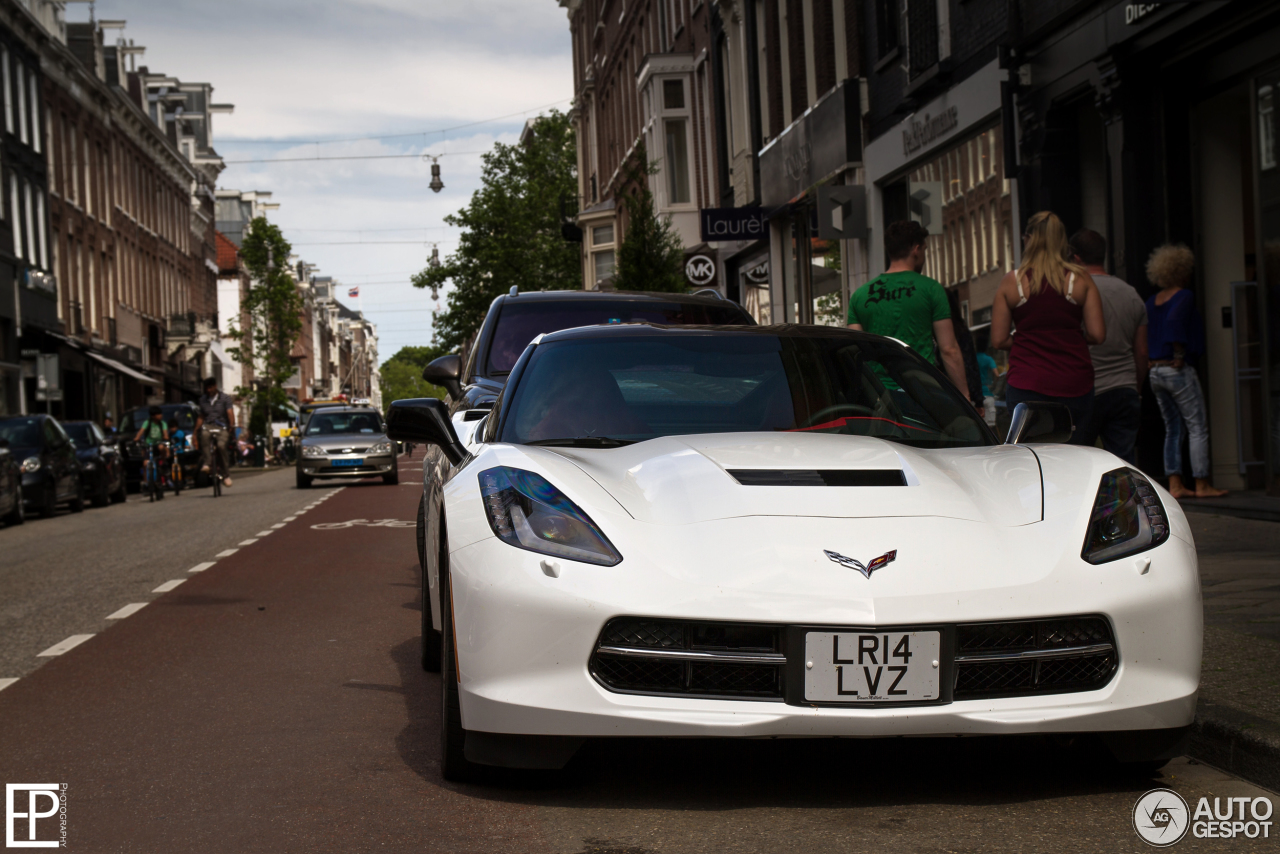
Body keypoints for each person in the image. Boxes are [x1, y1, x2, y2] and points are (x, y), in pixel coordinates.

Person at [990, 211, 1106, 441]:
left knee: (1030, 457)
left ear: (1028, 239)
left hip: (1027, 383)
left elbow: (999, 340)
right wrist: (1067, 336)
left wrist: (1027, 338)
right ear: (1061, 240)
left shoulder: (1013, 281)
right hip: (1075, 383)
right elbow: (1097, 334)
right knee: (1076, 455)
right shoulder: (1079, 278)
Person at [848, 220, 973, 404]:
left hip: (879, 395)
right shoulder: (931, 289)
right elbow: (949, 350)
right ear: (916, 249)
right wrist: (965, 396)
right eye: (924, 249)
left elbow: (855, 353)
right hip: (921, 393)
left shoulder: (860, 296)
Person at [1145, 244, 1227, 499]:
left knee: (1173, 428)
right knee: (1197, 426)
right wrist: (1179, 353)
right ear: (1181, 270)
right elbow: (1174, 323)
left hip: (1155, 370)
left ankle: (1175, 483)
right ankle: (1202, 483)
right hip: (1175, 368)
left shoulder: (1152, 300)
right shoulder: (1184, 296)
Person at [1067, 229, 1148, 462]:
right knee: (1122, 464)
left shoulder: (1074, 293)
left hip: (1086, 391)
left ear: (1076, 258)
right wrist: (1136, 386)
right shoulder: (1131, 294)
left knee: (1079, 462)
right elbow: (1141, 351)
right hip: (1124, 388)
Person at [193, 377, 236, 488]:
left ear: (215, 386)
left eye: (210, 387)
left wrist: (231, 425)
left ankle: (226, 475)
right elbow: (201, 416)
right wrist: (195, 431)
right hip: (208, 425)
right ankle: (207, 463)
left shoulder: (225, 398)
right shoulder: (203, 399)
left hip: (222, 426)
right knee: (204, 435)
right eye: (207, 388)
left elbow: (230, 413)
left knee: (221, 446)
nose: (209, 390)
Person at [133, 406, 170, 497]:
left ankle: (163, 463)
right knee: (145, 464)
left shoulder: (162, 424)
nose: (160, 416)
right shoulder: (147, 423)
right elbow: (141, 431)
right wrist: (137, 438)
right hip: (149, 446)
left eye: (160, 414)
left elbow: (165, 433)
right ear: (153, 416)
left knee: (162, 447)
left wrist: (165, 437)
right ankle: (146, 483)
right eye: (158, 414)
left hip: (158, 445)